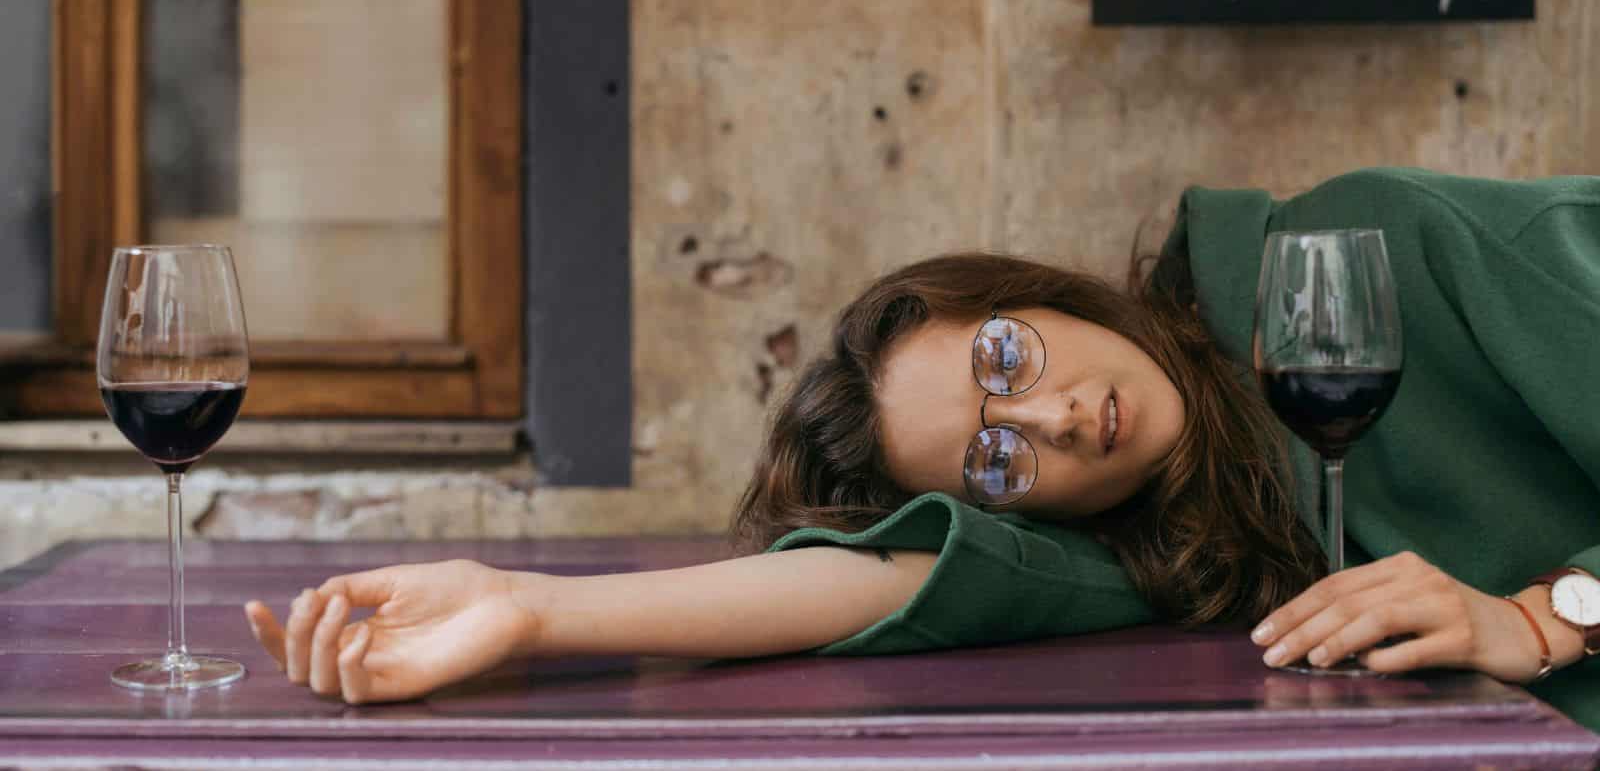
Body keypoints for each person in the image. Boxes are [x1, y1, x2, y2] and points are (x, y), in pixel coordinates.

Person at [245, 167, 1600, 731]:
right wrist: (529, 605)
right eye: (1001, 460)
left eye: (1007, 360)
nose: (1063, 421)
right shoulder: (1193, 535)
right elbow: (895, 578)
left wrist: (1548, 618)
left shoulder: (1369, 254)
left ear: (1032, 293)